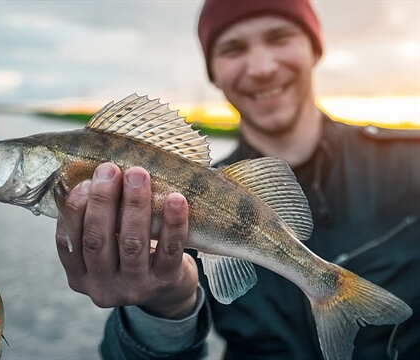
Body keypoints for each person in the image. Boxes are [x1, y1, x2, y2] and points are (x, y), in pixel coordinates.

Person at [54, 0, 420, 359]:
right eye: (233, 48)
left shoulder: (412, 162)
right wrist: (162, 311)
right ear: (213, 72)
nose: (261, 67)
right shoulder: (172, 199)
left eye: (279, 37)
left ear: (314, 49)